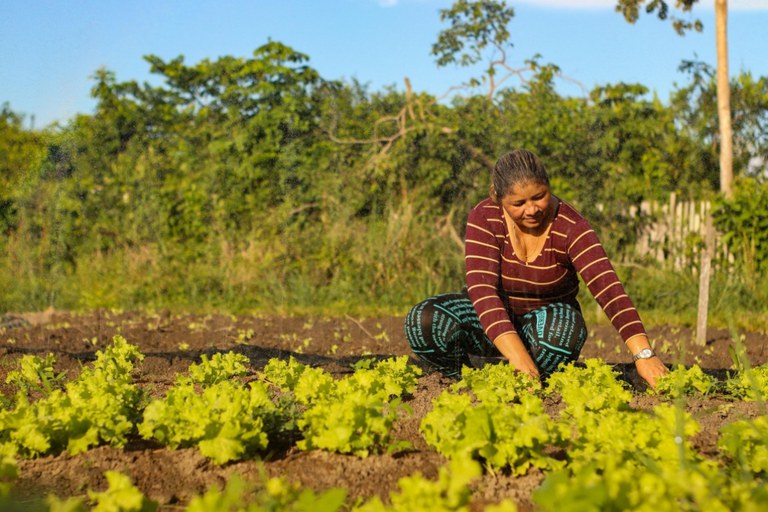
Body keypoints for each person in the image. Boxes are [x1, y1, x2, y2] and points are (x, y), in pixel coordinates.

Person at [404, 149, 668, 388]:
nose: (531, 210)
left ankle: (530, 380)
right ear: (498, 197)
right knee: (424, 322)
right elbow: (482, 292)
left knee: (562, 332)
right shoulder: (484, 217)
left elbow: (609, 290)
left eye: (539, 197)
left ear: (549, 187)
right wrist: (518, 357)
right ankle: (468, 382)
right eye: (518, 204)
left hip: (545, 325)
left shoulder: (571, 226)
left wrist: (644, 355)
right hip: (490, 321)